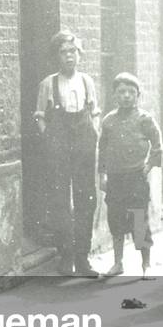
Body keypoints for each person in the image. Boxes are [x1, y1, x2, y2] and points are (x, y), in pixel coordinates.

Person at [34, 30, 101, 277]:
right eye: (64, 52)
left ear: (79, 55)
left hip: (84, 144)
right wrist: (50, 139)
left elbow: (94, 111)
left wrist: (94, 133)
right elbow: (40, 116)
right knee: (59, 200)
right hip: (58, 145)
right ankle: (66, 257)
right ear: (57, 57)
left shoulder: (86, 81)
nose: (69, 57)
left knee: (86, 198)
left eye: (73, 52)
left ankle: (83, 258)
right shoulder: (47, 84)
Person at [98, 72, 163, 278]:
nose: (126, 96)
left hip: (136, 178)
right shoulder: (108, 120)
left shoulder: (145, 119)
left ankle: (146, 265)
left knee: (138, 220)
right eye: (121, 92)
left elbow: (158, 147)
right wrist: (102, 174)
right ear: (114, 95)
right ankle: (118, 263)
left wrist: (148, 167)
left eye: (131, 92)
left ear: (138, 95)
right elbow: (103, 148)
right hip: (115, 179)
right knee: (115, 219)